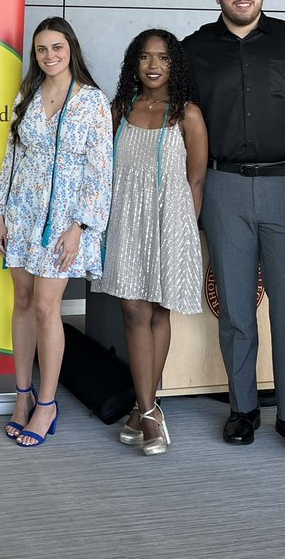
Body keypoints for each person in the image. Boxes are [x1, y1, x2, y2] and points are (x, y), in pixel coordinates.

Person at [183, 0, 285, 456]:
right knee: (235, 306)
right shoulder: (193, 50)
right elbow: (165, 115)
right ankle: (243, 408)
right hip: (224, 188)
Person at [0, 17, 113, 448]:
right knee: (22, 302)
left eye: (57, 47)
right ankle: (22, 396)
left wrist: (80, 226)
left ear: (71, 49)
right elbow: (11, 157)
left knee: (46, 308)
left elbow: (100, 170)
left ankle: (47, 403)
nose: (49, 56)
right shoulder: (26, 94)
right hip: (21, 211)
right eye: (41, 49)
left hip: (63, 221)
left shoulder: (92, 102)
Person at [91, 30, 207, 455]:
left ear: (174, 64)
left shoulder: (187, 114)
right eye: (144, 57)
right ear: (133, 65)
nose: (153, 65)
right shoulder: (119, 109)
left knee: (159, 310)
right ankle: (149, 408)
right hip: (125, 220)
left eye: (162, 57)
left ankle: (145, 410)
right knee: (133, 308)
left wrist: (184, 230)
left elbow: (196, 178)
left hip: (171, 221)